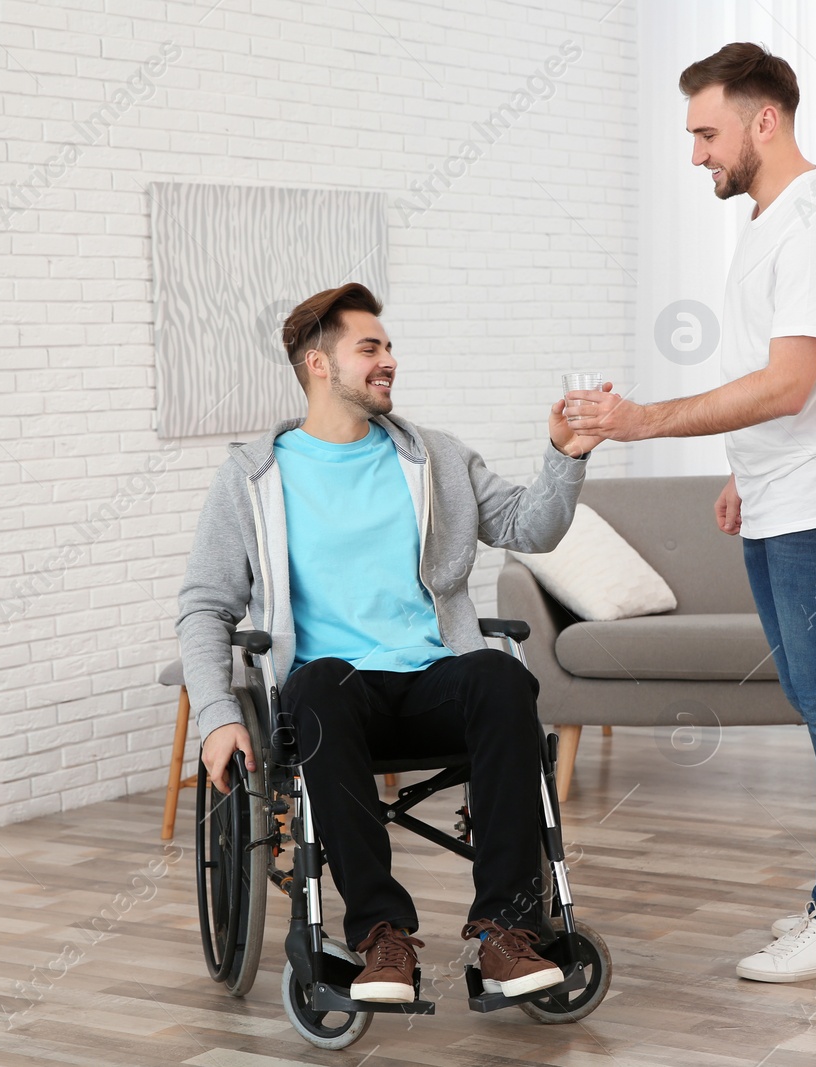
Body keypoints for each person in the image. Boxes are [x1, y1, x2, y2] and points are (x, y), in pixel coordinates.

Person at [566, 43, 816, 983]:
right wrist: (742, 470)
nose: (695, 155)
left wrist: (645, 421)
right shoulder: (768, 219)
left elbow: (793, 384)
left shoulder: (813, 225)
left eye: (706, 132)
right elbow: (783, 382)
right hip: (782, 493)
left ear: (765, 120)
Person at [175, 283, 603, 1003]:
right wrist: (219, 714)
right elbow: (203, 605)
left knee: (500, 677)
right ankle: (381, 934)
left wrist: (564, 454)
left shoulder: (435, 458)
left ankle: (505, 929)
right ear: (318, 363)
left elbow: (531, 528)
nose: (389, 361)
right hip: (334, 697)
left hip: (434, 678)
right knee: (317, 683)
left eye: (389, 346)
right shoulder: (253, 478)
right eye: (369, 348)